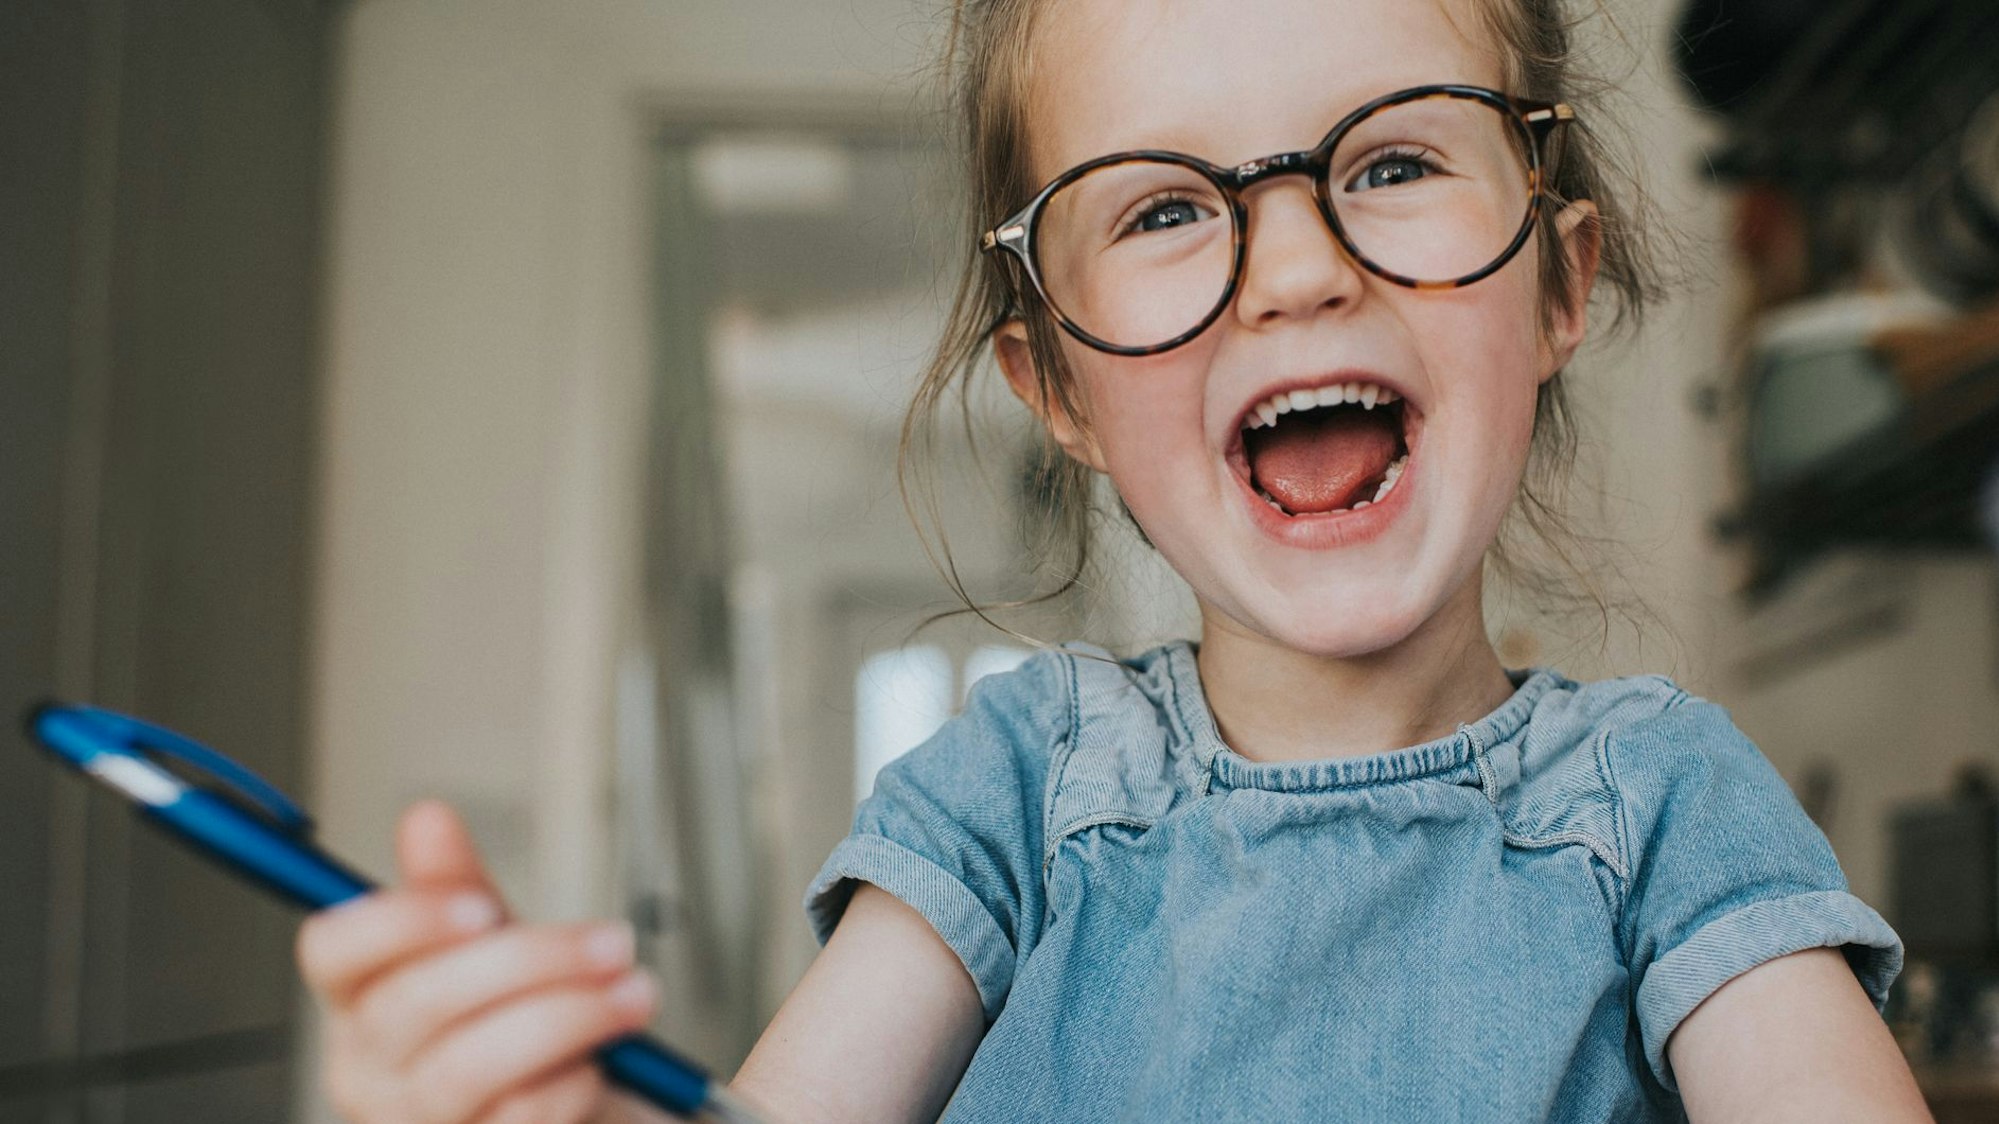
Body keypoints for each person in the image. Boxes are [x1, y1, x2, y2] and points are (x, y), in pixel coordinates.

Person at [295, 0, 1939, 1118]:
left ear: (1559, 286)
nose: (1293, 271)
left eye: (1391, 163)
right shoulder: (1014, 793)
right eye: (1161, 209)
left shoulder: (1668, 812)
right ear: (1061, 389)